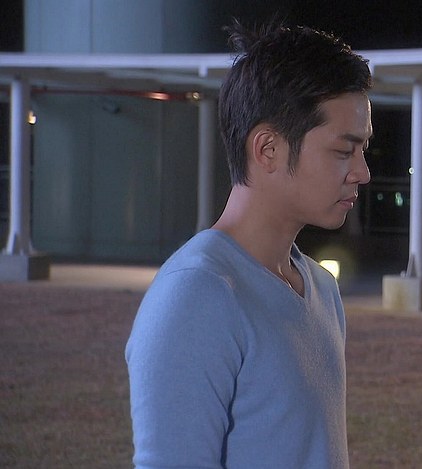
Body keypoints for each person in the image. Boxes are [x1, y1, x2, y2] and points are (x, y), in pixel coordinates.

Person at [125, 19, 372, 468]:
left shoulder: (321, 287)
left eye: (363, 150)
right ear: (268, 149)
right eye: (343, 150)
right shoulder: (197, 294)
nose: (362, 172)